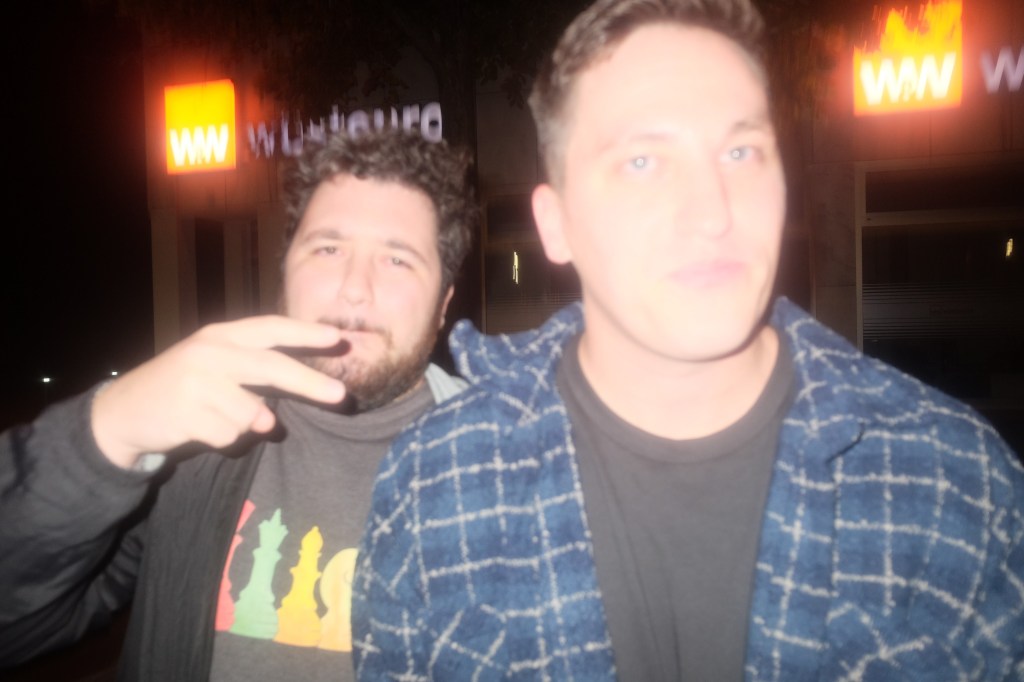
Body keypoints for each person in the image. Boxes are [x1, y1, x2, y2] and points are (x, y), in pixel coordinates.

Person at [351, 1, 1024, 679]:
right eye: (643, 161)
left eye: (741, 152)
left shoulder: (957, 483)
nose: (712, 212)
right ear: (555, 225)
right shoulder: (433, 484)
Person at [0, 129, 476, 681]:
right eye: (328, 248)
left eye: (397, 259)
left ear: (443, 304)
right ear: (285, 272)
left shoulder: (506, 468)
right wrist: (105, 434)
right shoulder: (191, 452)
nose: (354, 288)